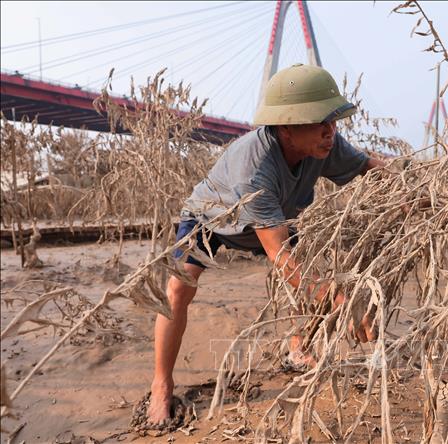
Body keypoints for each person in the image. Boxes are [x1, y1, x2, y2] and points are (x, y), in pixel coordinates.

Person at [147, 64, 385, 425]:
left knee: (313, 271)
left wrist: (416, 184)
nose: (330, 131)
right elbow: (282, 259)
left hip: (279, 217)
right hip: (213, 218)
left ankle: (297, 350)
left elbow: (370, 166)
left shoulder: (326, 145)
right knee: (178, 291)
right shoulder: (255, 167)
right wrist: (345, 304)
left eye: (333, 121)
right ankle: (160, 385)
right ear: (286, 127)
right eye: (319, 122)